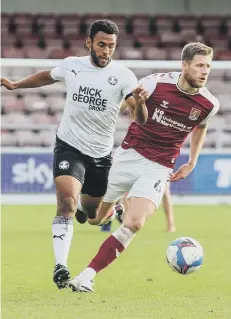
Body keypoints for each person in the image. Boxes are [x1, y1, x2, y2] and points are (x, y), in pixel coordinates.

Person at [1, 19, 149, 290]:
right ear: (89, 43)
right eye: (101, 44)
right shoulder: (72, 65)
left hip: (101, 156)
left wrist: (139, 103)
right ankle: (61, 266)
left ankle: (90, 208)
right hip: (69, 145)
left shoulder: (125, 76)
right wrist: (16, 86)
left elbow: (139, 119)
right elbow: (48, 75)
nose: (106, 51)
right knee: (66, 202)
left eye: (111, 46)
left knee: (94, 217)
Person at [68, 42, 219, 292]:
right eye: (200, 65)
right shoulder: (155, 84)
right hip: (128, 156)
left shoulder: (209, 104)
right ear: (185, 65)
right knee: (93, 219)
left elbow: (201, 126)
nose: (205, 71)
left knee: (135, 223)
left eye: (208, 66)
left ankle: (87, 275)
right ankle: (111, 207)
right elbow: (125, 109)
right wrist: (138, 103)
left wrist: (192, 161)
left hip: (159, 167)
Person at [101, 183, 176, 232]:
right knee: (122, 190)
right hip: (139, 162)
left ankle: (171, 225)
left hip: (161, 165)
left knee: (165, 192)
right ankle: (119, 217)